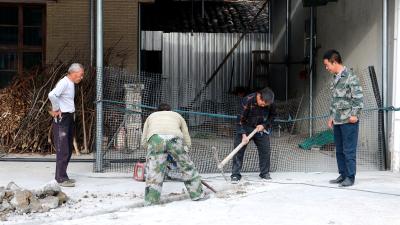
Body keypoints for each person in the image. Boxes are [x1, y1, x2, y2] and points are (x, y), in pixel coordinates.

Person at [141, 103, 206, 205]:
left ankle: (151, 200)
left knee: (154, 171)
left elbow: (144, 137)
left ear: (157, 110)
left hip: (156, 139)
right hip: (174, 139)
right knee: (187, 167)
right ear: (170, 110)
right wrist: (186, 148)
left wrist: (150, 150)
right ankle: (197, 195)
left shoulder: (151, 116)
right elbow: (185, 133)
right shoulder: (177, 115)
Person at [323, 49, 364, 187]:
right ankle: (343, 174)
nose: (326, 68)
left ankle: (350, 177)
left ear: (334, 62)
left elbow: (358, 98)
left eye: (327, 65)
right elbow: (335, 100)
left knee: (349, 149)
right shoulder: (336, 78)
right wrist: (331, 117)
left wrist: (354, 115)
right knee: (339, 149)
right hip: (338, 120)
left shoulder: (351, 76)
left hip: (348, 120)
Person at [48, 63, 84, 187]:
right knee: (62, 149)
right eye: (80, 75)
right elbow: (52, 95)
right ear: (74, 73)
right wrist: (56, 109)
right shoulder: (64, 82)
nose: (81, 77)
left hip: (68, 117)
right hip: (62, 118)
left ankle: (64, 175)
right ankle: (60, 179)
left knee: (68, 148)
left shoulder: (71, 83)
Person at [231, 87, 276, 183]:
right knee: (238, 149)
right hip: (245, 126)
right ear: (259, 95)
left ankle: (264, 173)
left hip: (260, 128)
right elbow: (239, 120)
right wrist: (243, 135)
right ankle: (235, 174)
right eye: (262, 102)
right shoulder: (247, 100)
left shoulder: (270, 102)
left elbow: (273, 116)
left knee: (265, 149)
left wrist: (264, 125)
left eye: (266, 104)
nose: (263, 105)